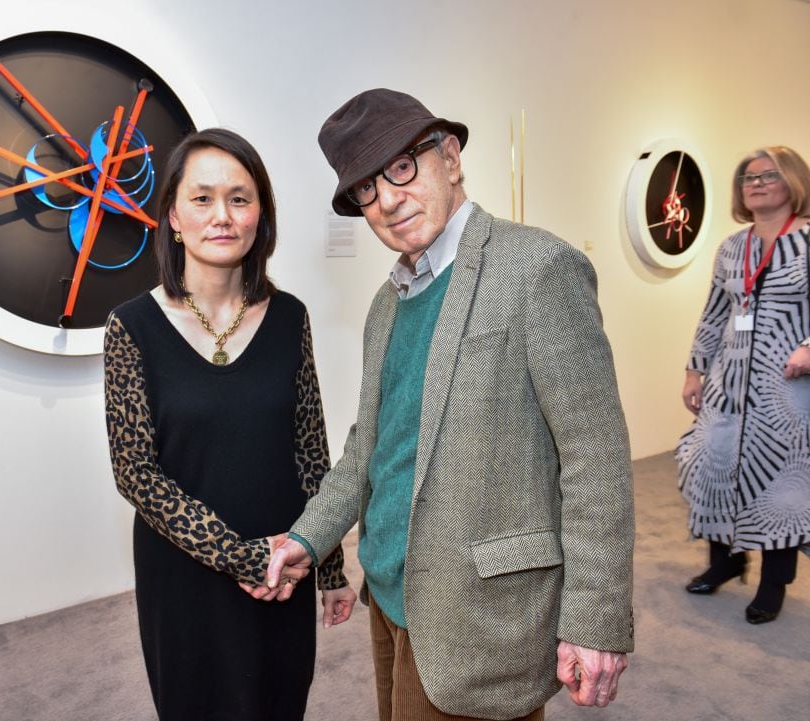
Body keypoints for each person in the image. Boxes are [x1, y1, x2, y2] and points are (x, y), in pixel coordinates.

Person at [253, 89, 635, 721]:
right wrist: (307, 539)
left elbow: (596, 459)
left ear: (450, 156)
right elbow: (367, 451)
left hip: (480, 610)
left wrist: (596, 621)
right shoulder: (386, 304)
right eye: (366, 191)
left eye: (402, 167)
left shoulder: (538, 268)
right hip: (392, 596)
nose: (389, 200)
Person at [103, 127, 357, 721]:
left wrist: (328, 566)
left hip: (282, 564)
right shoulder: (130, 327)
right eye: (202, 198)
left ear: (260, 215)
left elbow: (310, 450)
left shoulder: (290, 316)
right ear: (171, 214)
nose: (222, 216)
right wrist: (241, 556)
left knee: (278, 703)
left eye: (240, 199)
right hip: (187, 572)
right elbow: (136, 473)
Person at [676, 145, 810, 625]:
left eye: (767, 175)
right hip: (727, 382)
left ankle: (774, 583)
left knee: (779, 482)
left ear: (792, 181)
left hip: (788, 389)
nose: (754, 184)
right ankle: (725, 562)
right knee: (713, 464)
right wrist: (695, 370)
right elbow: (714, 313)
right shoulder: (733, 247)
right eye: (747, 178)